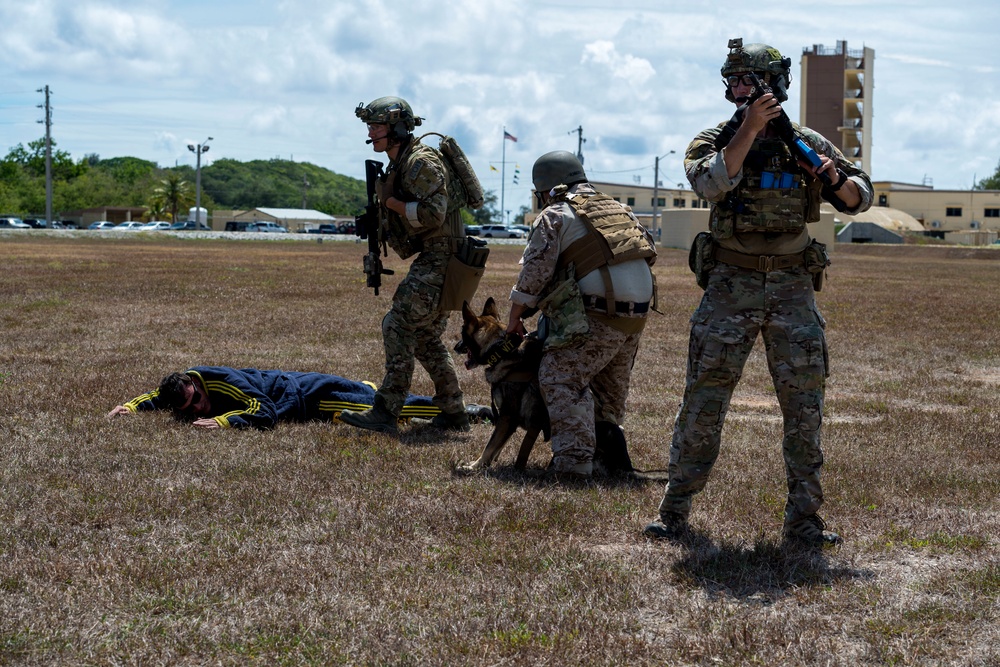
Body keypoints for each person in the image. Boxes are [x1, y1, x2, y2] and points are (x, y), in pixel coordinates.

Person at [643, 39, 873, 546]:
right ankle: (674, 511)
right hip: (730, 286)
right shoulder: (715, 138)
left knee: (804, 407)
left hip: (793, 288)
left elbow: (860, 198)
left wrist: (833, 176)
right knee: (704, 400)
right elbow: (709, 184)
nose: (738, 88)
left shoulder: (808, 141)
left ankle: (805, 520)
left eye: (748, 80)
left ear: (774, 84)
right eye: (732, 80)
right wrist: (747, 130)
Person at [505, 150, 656, 479]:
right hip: (636, 315)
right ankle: (607, 457)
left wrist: (515, 317)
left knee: (561, 377)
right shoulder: (618, 208)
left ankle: (573, 464)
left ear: (546, 189)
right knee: (605, 388)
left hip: (599, 313)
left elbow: (534, 273)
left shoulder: (556, 213)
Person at [338, 96, 470, 436]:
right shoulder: (402, 163)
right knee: (425, 335)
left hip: (444, 256)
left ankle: (386, 409)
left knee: (397, 324)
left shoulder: (420, 163)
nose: (371, 132)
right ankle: (454, 411)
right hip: (441, 255)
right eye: (370, 126)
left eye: (377, 126)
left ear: (397, 128)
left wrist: (393, 203)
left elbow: (433, 214)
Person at [106, 366, 486, 430]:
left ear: (199, 386)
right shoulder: (182, 387)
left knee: (381, 407)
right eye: (188, 410)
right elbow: (159, 396)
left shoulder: (223, 383)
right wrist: (133, 406)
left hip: (309, 395)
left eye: (197, 402)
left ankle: (466, 410)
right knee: (374, 400)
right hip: (303, 390)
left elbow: (265, 412)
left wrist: (223, 421)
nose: (196, 410)